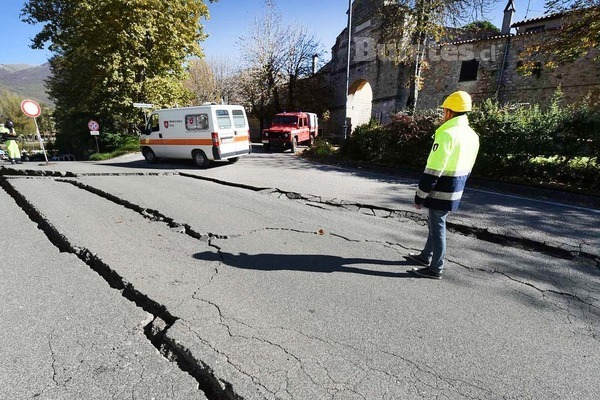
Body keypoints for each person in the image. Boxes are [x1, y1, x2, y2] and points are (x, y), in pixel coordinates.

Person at [408, 91, 480, 279]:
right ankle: (425, 257)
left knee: (437, 227)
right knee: (435, 224)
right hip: (456, 188)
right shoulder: (472, 135)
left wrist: (420, 196)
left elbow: (433, 170)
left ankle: (435, 268)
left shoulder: (447, 134)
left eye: (444, 111)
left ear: (449, 112)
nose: (443, 115)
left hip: (441, 190)